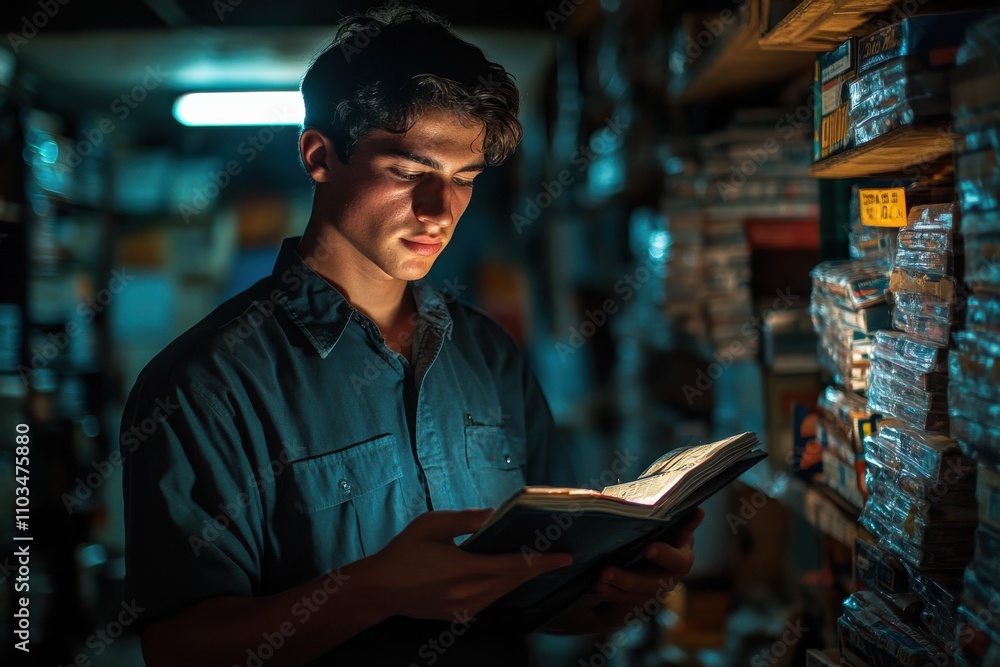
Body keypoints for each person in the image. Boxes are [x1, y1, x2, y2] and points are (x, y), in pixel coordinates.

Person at [120, 5, 704, 666]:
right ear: (319, 155)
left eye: (464, 180)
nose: (438, 212)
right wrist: (366, 592)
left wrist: (617, 589)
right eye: (407, 173)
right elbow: (178, 649)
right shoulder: (203, 384)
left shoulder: (487, 355)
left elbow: (538, 591)